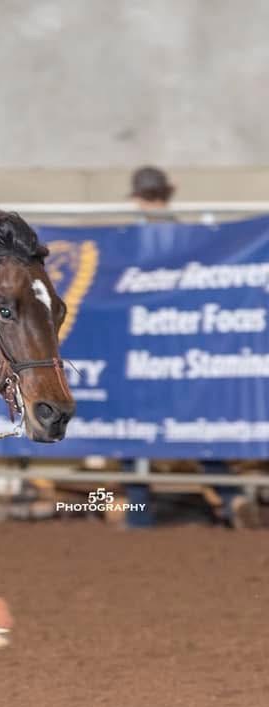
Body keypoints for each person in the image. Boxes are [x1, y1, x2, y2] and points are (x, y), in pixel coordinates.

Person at [122, 166, 256, 527]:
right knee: (197, 427)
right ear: (168, 192)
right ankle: (231, 498)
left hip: (140, 351)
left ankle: (139, 512)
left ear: (137, 196)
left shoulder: (128, 240)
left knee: (130, 428)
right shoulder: (189, 237)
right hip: (185, 350)